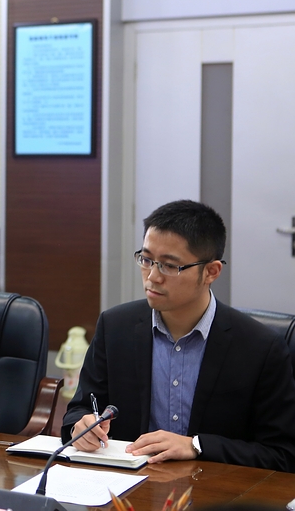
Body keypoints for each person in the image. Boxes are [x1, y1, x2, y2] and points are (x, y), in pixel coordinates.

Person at [63, 200, 295, 473]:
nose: (152, 276)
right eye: (146, 260)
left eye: (169, 266)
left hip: (214, 488)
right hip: (127, 485)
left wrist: (197, 446)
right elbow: (79, 411)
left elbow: (283, 454)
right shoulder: (115, 327)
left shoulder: (260, 347)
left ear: (211, 272)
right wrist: (81, 426)